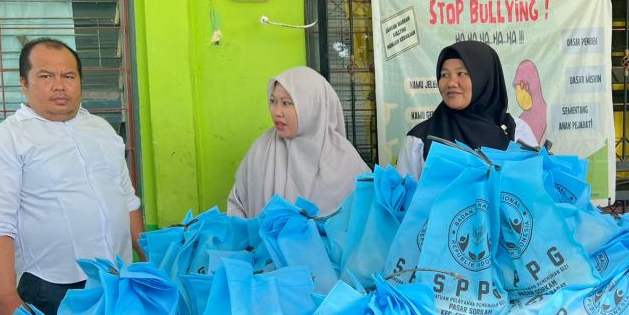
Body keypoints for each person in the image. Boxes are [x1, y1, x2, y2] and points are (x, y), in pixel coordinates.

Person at [0, 38, 144, 315]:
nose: (59, 86)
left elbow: (127, 200)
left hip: (117, 279)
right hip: (52, 288)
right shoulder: (4, 140)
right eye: (45, 76)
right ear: (24, 84)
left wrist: (148, 260)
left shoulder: (101, 129)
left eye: (68, 76)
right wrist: (5, 297)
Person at [226, 66, 369, 218]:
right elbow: (237, 202)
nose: (276, 112)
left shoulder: (343, 159)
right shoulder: (261, 149)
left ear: (312, 106)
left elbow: (365, 218)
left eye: (286, 103)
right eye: (273, 101)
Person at [396, 40, 529, 181]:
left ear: (484, 77)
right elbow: (403, 200)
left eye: (461, 73)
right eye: (444, 75)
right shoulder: (419, 141)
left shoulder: (517, 133)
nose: (451, 83)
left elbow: (533, 192)